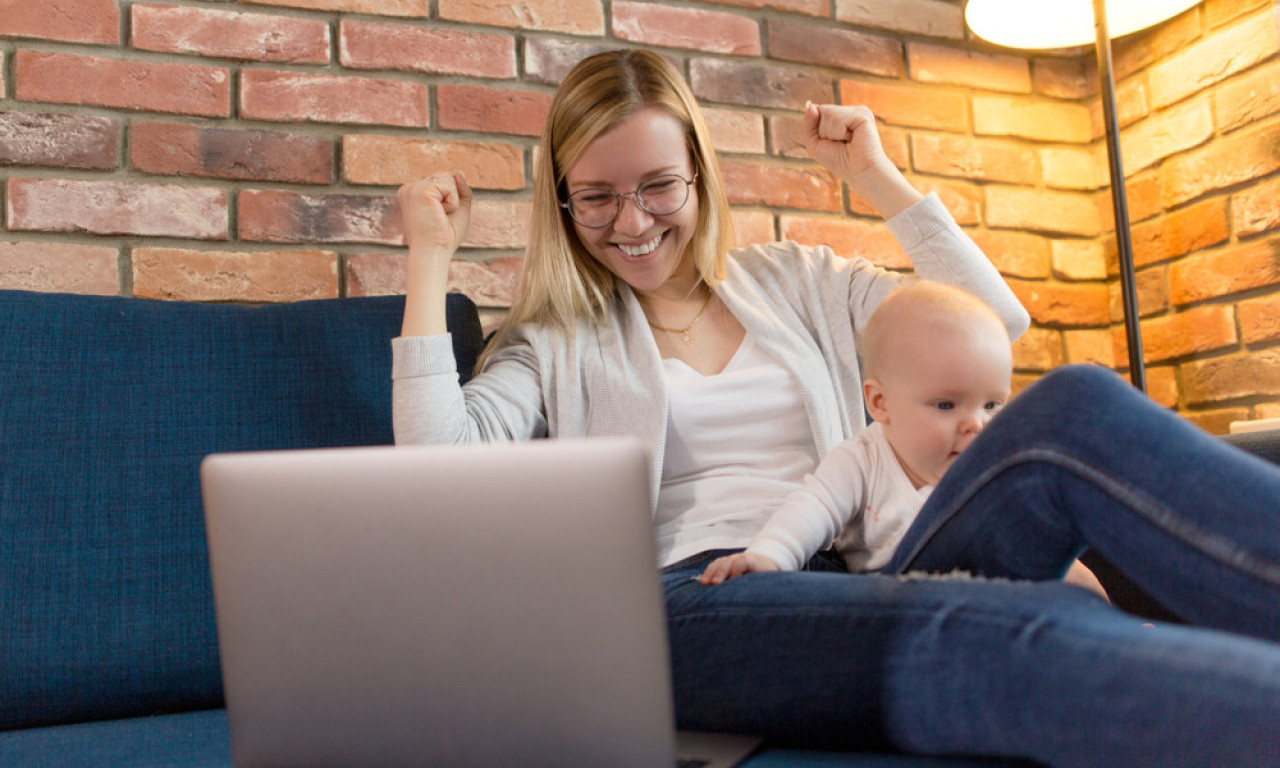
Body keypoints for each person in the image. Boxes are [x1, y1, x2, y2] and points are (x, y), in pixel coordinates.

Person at [393, 48, 1280, 767]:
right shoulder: (552, 339)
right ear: (563, 203)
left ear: (698, 175)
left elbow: (990, 325)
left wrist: (877, 177)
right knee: (1012, 627)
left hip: (864, 565)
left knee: (1075, 405)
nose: (632, 222)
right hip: (691, 602)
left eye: (658, 185)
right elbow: (438, 467)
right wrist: (429, 258)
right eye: (596, 196)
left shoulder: (798, 281)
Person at [698, 282, 1106, 597]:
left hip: (993, 594)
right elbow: (813, 508)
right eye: (946, 405)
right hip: (899, 591)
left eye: (992, 405)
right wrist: (769, 556)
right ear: (880, 403)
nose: (976, 425)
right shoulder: (862, 459)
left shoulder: (991, 466)